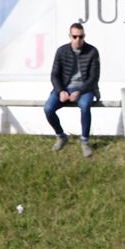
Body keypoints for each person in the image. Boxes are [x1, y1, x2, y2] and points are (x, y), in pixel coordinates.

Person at [45, 22, 100, 158]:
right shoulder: (61, 51)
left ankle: (85, 141)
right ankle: (61, 136)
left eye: (80, 37)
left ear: (84, 36)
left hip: (85, 88)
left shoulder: (92, 51)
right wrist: (60, 91)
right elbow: (54, 75)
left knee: (85, 105)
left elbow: (94, 77)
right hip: (64, 87)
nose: (78, 40)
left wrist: (79, 92)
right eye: (74, 36)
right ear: (70, 36)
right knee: (48, 109)